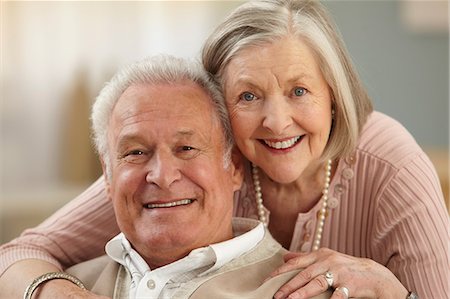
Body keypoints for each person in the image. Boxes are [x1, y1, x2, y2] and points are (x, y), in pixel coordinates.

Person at [0, 0, 448, 298]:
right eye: (248, 96)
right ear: (218, 111)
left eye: (298, 91)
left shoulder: (392, 166)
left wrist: (392, 291)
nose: (276, 121)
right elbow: (18, 254)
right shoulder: (173, 168)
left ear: (333, 94)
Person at [24, 55, 332, 299]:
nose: (161, 176)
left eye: (186, 148)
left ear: (234, 167)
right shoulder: (60, 286)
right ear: (107, 175)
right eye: (135, 152)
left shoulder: (306, 290)